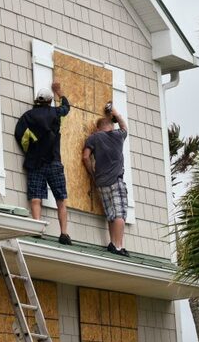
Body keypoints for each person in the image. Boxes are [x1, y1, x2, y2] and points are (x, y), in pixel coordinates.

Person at [14, 81, 72, 245]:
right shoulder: (55, 112)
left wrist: (30, 150)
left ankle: (37, 230)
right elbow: (66, 108)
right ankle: (64, 234)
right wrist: (59, 92)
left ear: (36, 101)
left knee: (35, 197)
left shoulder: (27, 117)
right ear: (49, 101)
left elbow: (20, 136)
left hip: (35, 162)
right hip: (53, 161)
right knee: (60, 198)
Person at [82, 105, 129, 256]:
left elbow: (85, 157)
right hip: (116, 180)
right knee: (120, 214)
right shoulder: (118, 135)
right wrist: (115, 113)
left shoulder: (93, 138)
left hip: (101, 182)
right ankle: (118, 246)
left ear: (98, 128)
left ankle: (112, 243)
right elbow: (124, 126)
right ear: (110, 126)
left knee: (111, 214)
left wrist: (93, 174)